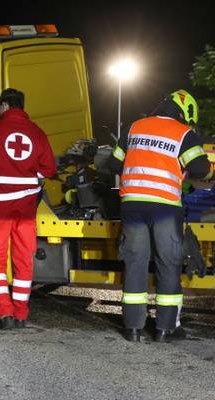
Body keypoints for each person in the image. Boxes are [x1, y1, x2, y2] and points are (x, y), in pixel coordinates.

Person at [109, 89, 212, 342]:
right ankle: (165, 329)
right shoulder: (184, 134)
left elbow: (113, 164)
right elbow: (200, 168)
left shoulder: (135, 127)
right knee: (168, 263)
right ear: (185, 113)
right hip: (165, 207)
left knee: (135, 263)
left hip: (132, 204)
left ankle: (133, 328)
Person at [0, 88, 56, 330]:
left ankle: (5, 314)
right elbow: (49, 168)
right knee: (24, 259)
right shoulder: (37, 132)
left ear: (4, 106)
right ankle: (21, 315)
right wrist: (29, 177)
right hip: (25, 210)